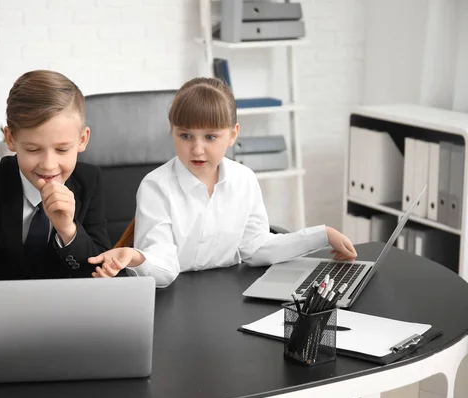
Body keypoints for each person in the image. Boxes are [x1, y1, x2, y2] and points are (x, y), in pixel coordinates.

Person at [88, 77, 357, 287]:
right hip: (172, 298)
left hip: (229, 294)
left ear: (232, 134)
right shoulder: (156, 186)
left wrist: (322, 235)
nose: (197, 149)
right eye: (185, 136)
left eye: (210, 137)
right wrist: (137, 257)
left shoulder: (244, 179)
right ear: (172, 131)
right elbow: (165, 266)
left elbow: (256, 248)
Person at [0, 70, 112, 310]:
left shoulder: (89, 181)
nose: (49, 165)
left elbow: (102, 278)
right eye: (32, 149)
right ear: (10, 139)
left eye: (62, 150)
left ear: (82, 139)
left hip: (69, 318)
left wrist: (68, 230)